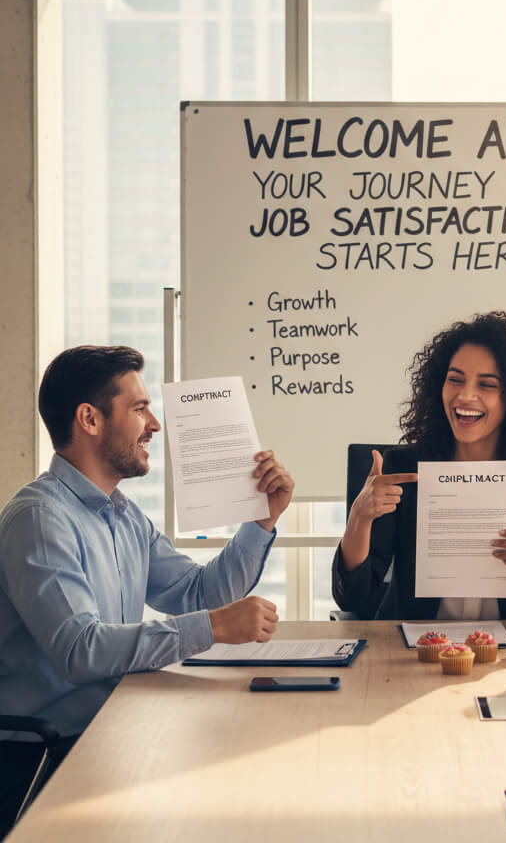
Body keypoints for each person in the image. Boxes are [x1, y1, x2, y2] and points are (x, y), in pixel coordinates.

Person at [0, 346, 294, 827]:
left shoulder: (124, 516)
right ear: (90, 419)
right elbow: (81, 649)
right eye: (139, 409)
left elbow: (198, 595)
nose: (155, 425)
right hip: (46, 759)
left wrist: (262, 522)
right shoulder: (39, 519)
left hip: (111, 732)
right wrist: (213, 627)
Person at [332, 311, 506, 622]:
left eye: (487, 385)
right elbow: (352, 598)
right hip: (413, 651)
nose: (465, 395)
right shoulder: (403, 469)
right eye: (455, 379)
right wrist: (359, 519)